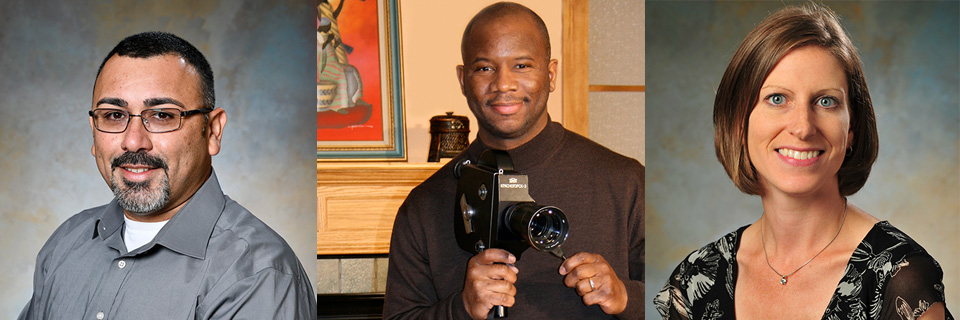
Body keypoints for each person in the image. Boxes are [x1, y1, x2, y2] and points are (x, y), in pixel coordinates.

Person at [654, 4, 951, 320]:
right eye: (777, 99)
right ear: (739, 123)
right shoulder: (694, 279)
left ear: (851, 129)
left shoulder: (900, 277)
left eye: (826, 102)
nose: (803, 127)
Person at [18, 32, 316, 319]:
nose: (134, 141)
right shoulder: (66, 243)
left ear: (212, 131)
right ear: (93, 131)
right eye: (114, 115)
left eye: (162, 115)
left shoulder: (257, 274)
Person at [382, 2, 644, 319]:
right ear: (463, 79)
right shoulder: (423, 205)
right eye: (484, 68)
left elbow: (692, 300)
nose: (503, 84)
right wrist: (461, 308)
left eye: (521, 66)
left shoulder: (624, 182)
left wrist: (626, 295)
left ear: (551, 74)